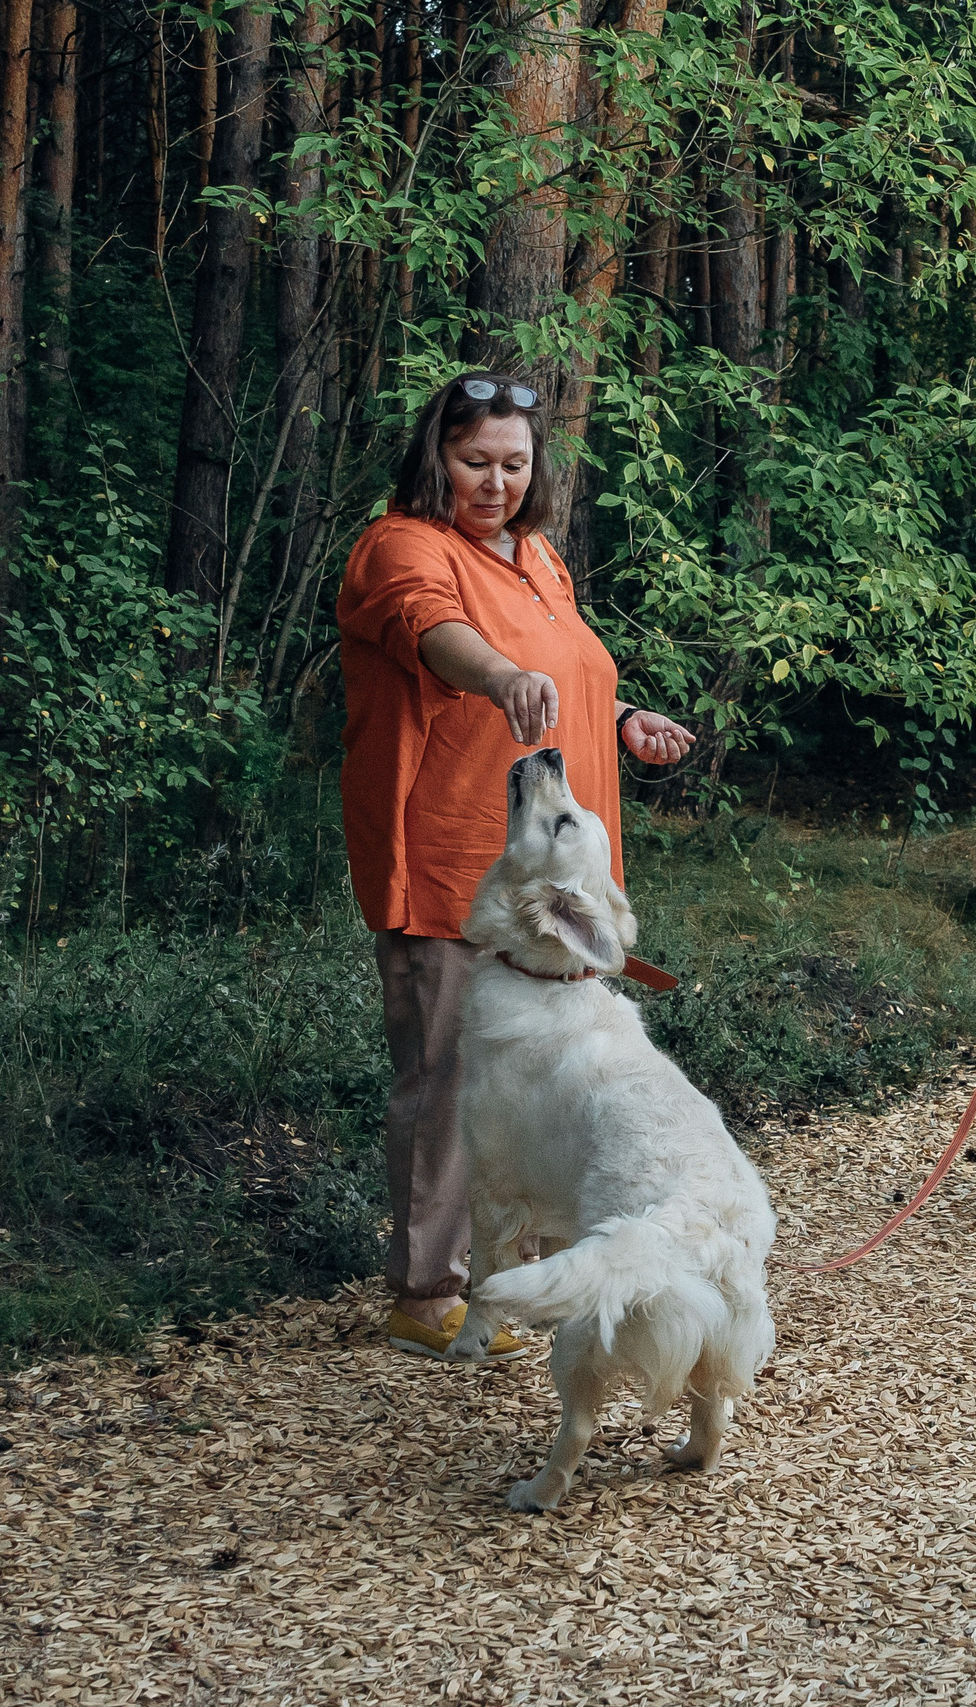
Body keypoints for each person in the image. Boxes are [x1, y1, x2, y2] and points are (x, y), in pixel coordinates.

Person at [337, 372, 696, 1354]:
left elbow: (563, 671)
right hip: (452, 867)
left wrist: (622, 720)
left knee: (541, 1074)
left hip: (552, 885)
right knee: (448, 1075)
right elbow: (439, 638)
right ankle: (424, 1292)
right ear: (433, 458)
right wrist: (499, 676)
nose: (494, 483)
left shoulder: (536, 555)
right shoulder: (400, 547)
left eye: (512, 464)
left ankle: (511, 1273)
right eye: (473, 463)